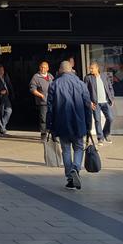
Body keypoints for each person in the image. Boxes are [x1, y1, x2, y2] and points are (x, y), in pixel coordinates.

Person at [46, 61, 92, 191]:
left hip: (62, 123)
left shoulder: (54, 84)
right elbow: (87, 106)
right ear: (71, 70)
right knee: (78, 147)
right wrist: (89, 125)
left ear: (60, 70)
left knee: (65, 150)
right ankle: (75, 168)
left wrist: (49, 126)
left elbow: (50, 108)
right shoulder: (81, 84)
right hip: (79, 122)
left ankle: (70, 178)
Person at [87, 62, 115, 143]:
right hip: (95, 103)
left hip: (105, 102)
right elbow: (85, 92)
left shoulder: (104, 76)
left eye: (92, 68)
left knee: (110, 118)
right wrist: (90, 102)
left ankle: (105, 133)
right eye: (90, 68)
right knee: (97, 120)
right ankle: (100, 138)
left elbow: (110, 87)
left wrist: (112, 98)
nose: (91, 70)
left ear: (97, 68)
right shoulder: (88, 78)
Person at [30, 61, 53, 141]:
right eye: (41, 67)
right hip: (43, 102)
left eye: (45, 67)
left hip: (51, 101)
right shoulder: (36, 77)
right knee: (43, 118)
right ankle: (43, 135)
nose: (43, 69)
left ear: (48, 68)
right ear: (39, 68)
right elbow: (32, 89)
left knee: (52, 117)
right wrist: (41, 95)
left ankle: (52, 133)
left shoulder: (50, 76)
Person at [0, 65, 14, 136]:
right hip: (0, 97)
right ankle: (2, 128)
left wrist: (12, 93)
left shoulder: (5, 77)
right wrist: (0, 92)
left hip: (6, 97)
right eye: (0, 70)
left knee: (9, 111)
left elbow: (9, 85)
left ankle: (2, 126)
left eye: (3, 70)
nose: (2, 71)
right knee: (1, 112)